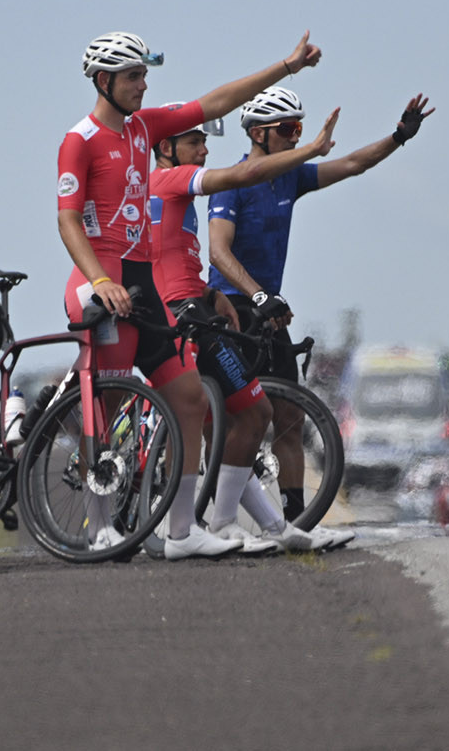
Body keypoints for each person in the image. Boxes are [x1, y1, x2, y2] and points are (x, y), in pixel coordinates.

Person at [58, 29, 322, 560]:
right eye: (134, 77)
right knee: (106, 407)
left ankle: (180, 532)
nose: (143, 85)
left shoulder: (146, 127)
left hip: (141, 281)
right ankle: (100, 524)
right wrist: (100, 282)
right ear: (105, 80)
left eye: (144, 75)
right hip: (98, 278)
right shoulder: (79, 139)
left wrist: (287, 67)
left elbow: (218, 100)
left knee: (189, 398)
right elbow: (67, 221)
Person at [207, 87, 433, 521]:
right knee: (235, 425)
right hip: (232, 310)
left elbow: (351, 164)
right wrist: (258, 296)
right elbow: (218, 252)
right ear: (258, 134)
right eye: (288, 130)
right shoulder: (230, 184)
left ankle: (295, 522)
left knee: (289, 421)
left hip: (267, 311)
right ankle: (216, 520)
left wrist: (398, 136)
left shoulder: (289, 178)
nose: (296, 137)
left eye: (299, 129)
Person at [148, 107, 351, 551]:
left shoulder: (175, 197)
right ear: (166, 148)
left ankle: (272, 527)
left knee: (243, 414)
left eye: (205, 143)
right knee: (240, 414)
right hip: (182, 316)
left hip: (195, 307)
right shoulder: (168, 182)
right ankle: (209, 525)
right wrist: (312, 148)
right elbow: (239, 178)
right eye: (195, 143)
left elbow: (171, 260)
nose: (204, 152)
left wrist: (208, 294)